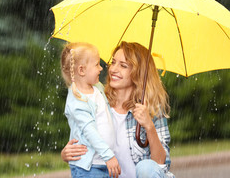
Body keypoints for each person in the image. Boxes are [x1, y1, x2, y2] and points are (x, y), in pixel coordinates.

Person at [61, 42, 175, 178]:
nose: (113, 69)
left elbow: (161, 163)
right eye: (113, 62)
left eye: (123, 66)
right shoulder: (98, 100)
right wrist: (66, 154)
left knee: (146, 167)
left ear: (138, 72)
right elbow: (84, 132)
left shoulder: (150, 109)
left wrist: (149, 125)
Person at [60, 42, 121, 178]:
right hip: (89, 167)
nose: (101, 68)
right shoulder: (77, 100)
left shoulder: (97, 87)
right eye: (97, 64)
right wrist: (108, 156)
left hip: (103, 163)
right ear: (81, 70)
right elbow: (90, 131)